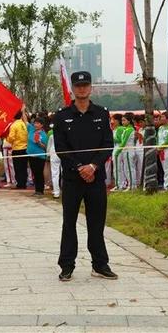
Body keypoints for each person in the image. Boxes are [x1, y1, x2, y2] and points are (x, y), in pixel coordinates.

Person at [53, 71, 116, 282]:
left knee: (96, 223)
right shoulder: (62, 115)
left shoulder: (101, 113)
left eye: (86, 85)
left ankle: (100, 265)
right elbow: (61, 149)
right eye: (78, 85)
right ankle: (67, 266)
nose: (82, 89)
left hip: (95, 178)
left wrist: (93, 166)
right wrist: (80, 167)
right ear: (73, 88)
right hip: (73, 179)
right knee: (69, 223)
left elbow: (108, 145)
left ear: (91, 88)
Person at [7, 109, 28, 189]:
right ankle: (24, 183)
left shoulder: (14, 125)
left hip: (17, 148)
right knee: (24, 167)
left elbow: (11, 138)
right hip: (25, 148)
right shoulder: (23, 124)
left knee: (18, 167)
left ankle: (20, 184)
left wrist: (7, 138)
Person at [27, 117, 48, 196]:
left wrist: (38, 142)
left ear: (42, 125)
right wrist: (23, 111)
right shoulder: (32, 130)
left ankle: (40, 191)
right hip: (31, 155)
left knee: (39, 173)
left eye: (38, 123)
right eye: (35, 123)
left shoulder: (43, 134)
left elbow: (45, 147)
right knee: (34, 173)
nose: (36, 124)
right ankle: (36, 190)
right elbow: (26, 121)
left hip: (39, 157)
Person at [156, 113, 168, 190]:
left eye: (163, 117)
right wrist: (158, 148)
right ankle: (167, 185)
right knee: (165, 169)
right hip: (160, 150)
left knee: (167, 169)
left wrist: (160, 148)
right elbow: (159, 139)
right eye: (160, 117)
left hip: (167, 150)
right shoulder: (160, 128)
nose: (161, 118)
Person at [118, 113, 137, 190]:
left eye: (124, 120)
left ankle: (132, 186)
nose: (122, 122)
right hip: (125, 151)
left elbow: (124, 142)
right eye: (122, 120)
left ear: (129, 121)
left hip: (129, 150)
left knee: (130, 168)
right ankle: (131, 184)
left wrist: (117, 151)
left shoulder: (130, 129)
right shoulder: (125, 129)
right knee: (126, 169)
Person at [46, 122, 61, 198]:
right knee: (64, 172)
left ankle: (56, 192)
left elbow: (49, 146)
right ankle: (64, 191)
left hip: (54, 154)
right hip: (63, 153)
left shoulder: (52, 135)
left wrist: (48, 154)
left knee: (55, 173)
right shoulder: (66, 135)